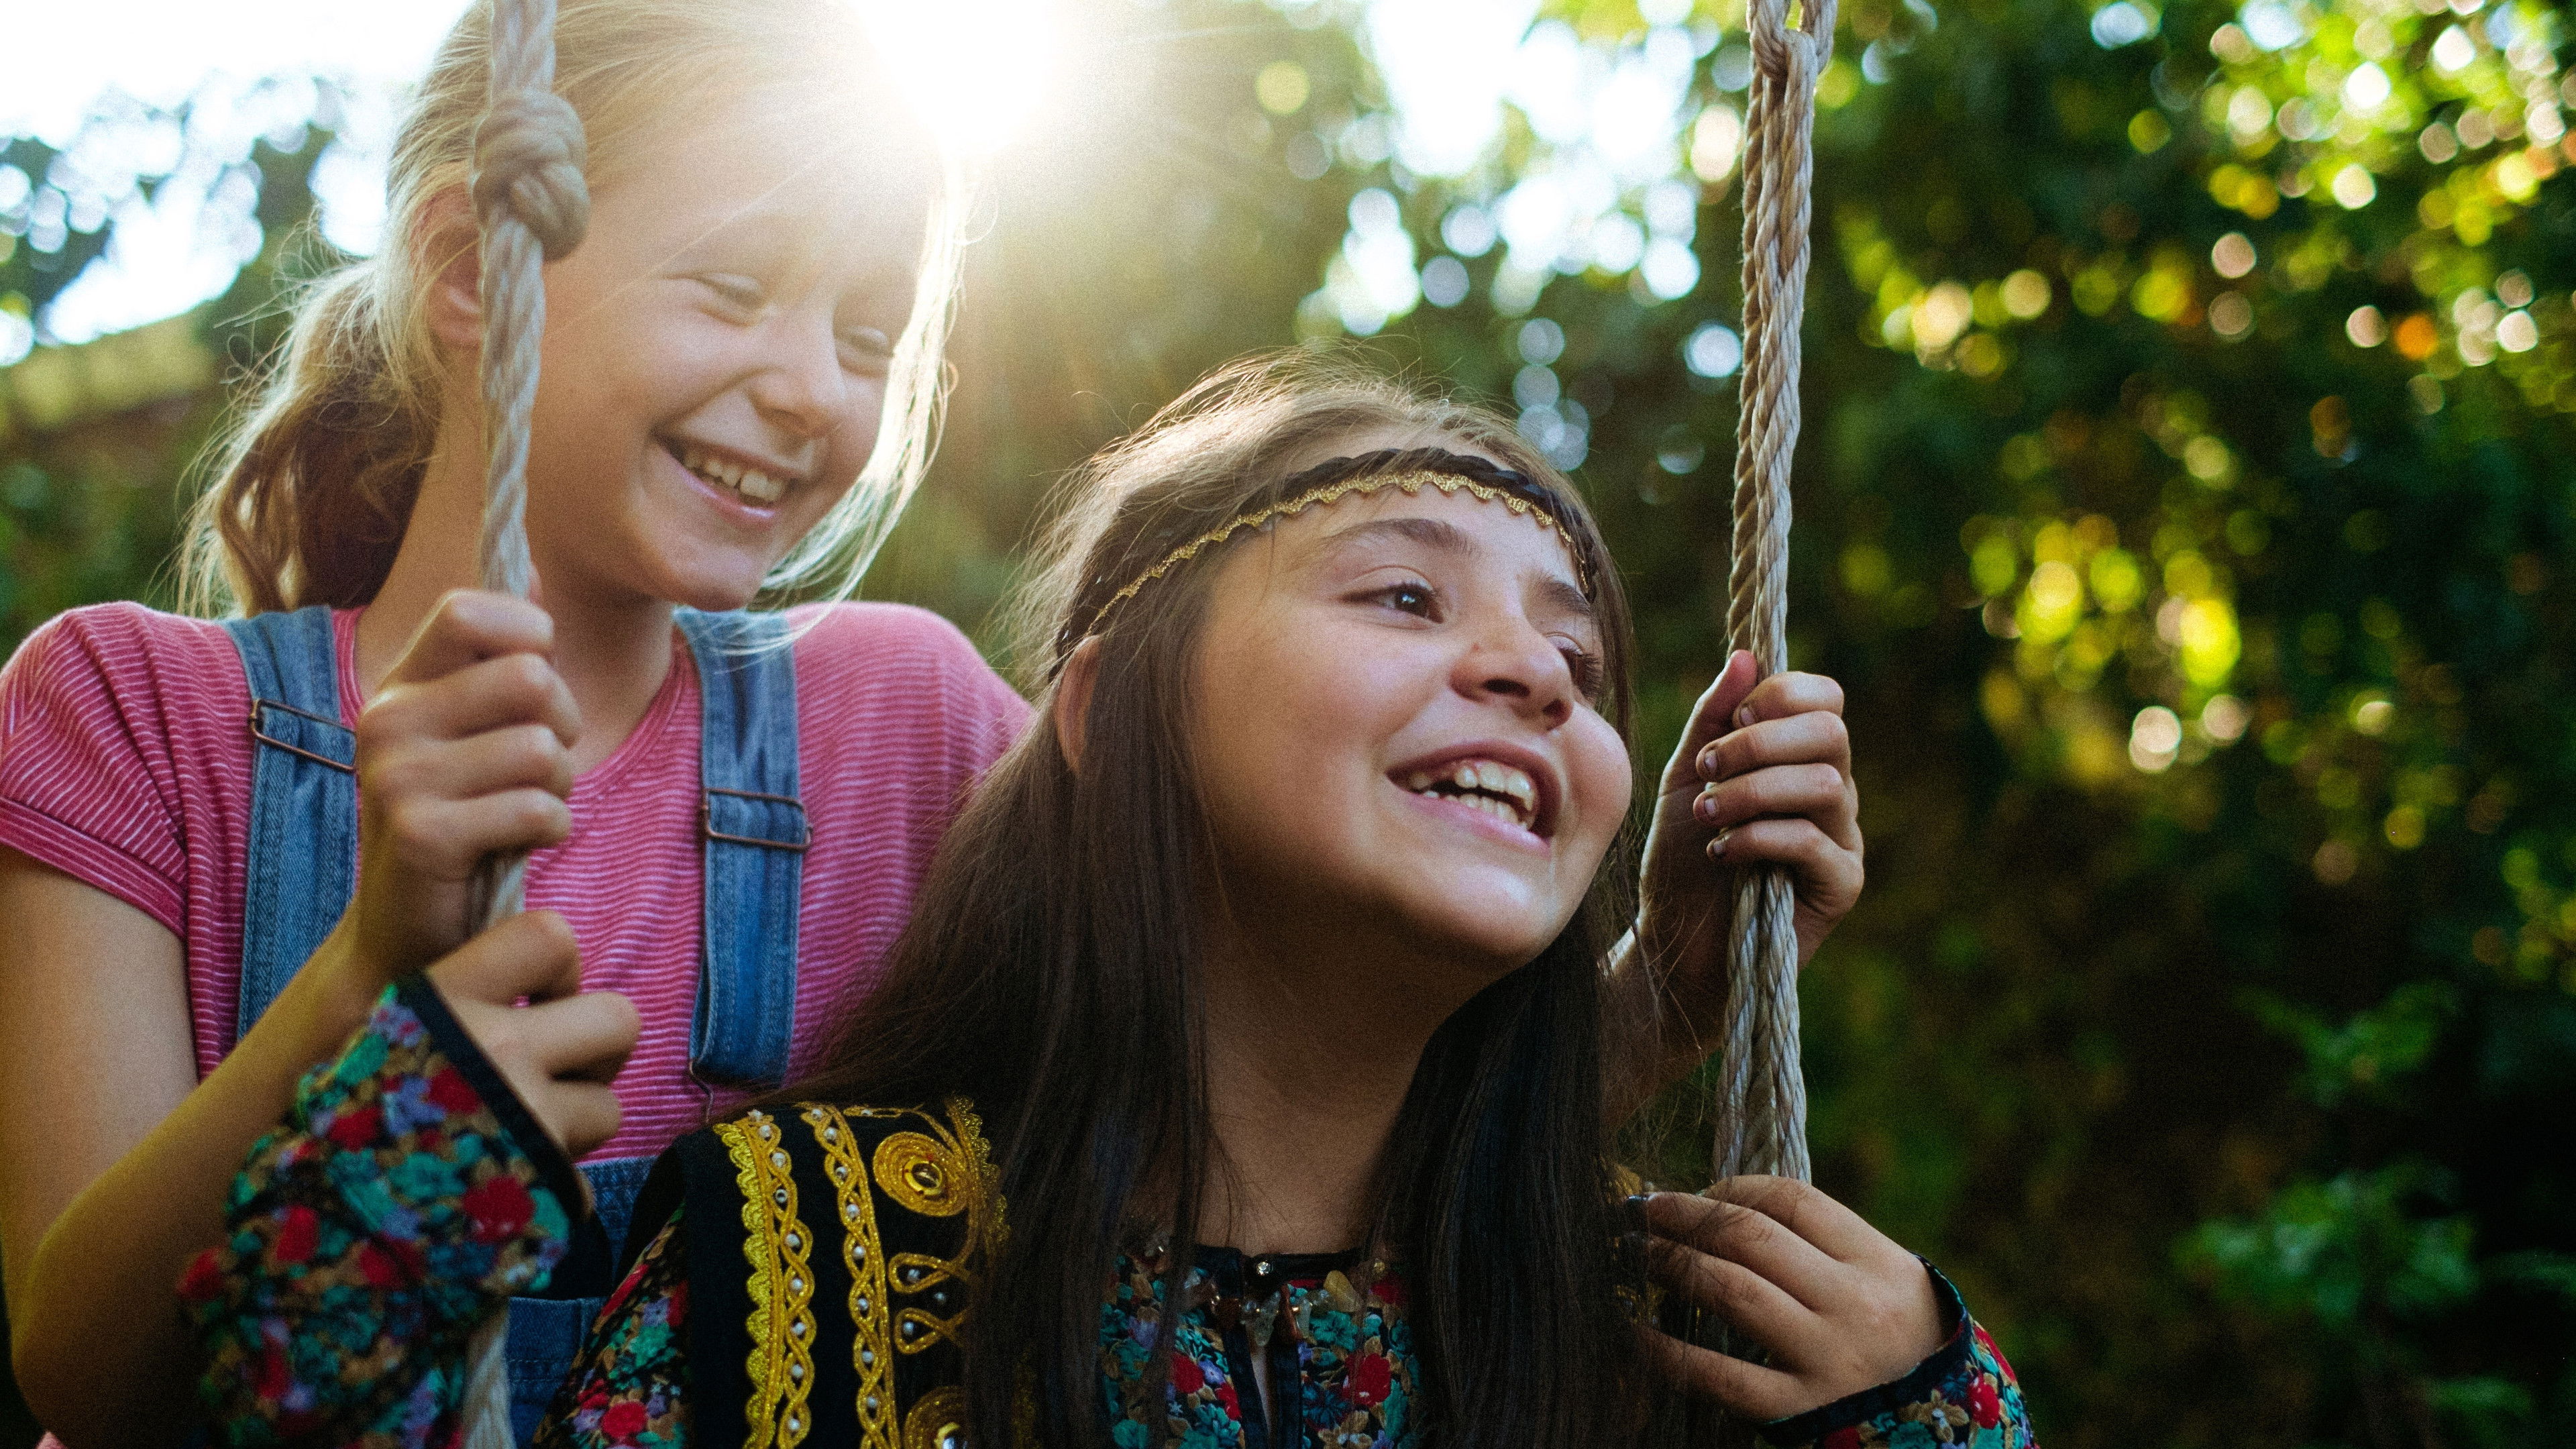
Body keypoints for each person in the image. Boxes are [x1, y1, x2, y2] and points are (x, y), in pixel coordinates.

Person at [179, 358, 2027, 1449]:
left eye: (1580, 653)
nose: (1537, 677)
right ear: (1099, 704)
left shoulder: (1682, 1329)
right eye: (1405, 597)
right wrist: (401, 1162)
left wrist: (1936, 1415)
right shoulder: (807, 1256)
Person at [0, 4, 1016, 1444]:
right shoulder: (135, 713)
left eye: (868, 334)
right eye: (732, 289)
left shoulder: (909, 724)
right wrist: (365, 972)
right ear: (475, 267)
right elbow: (86, 1374)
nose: (812, 390)